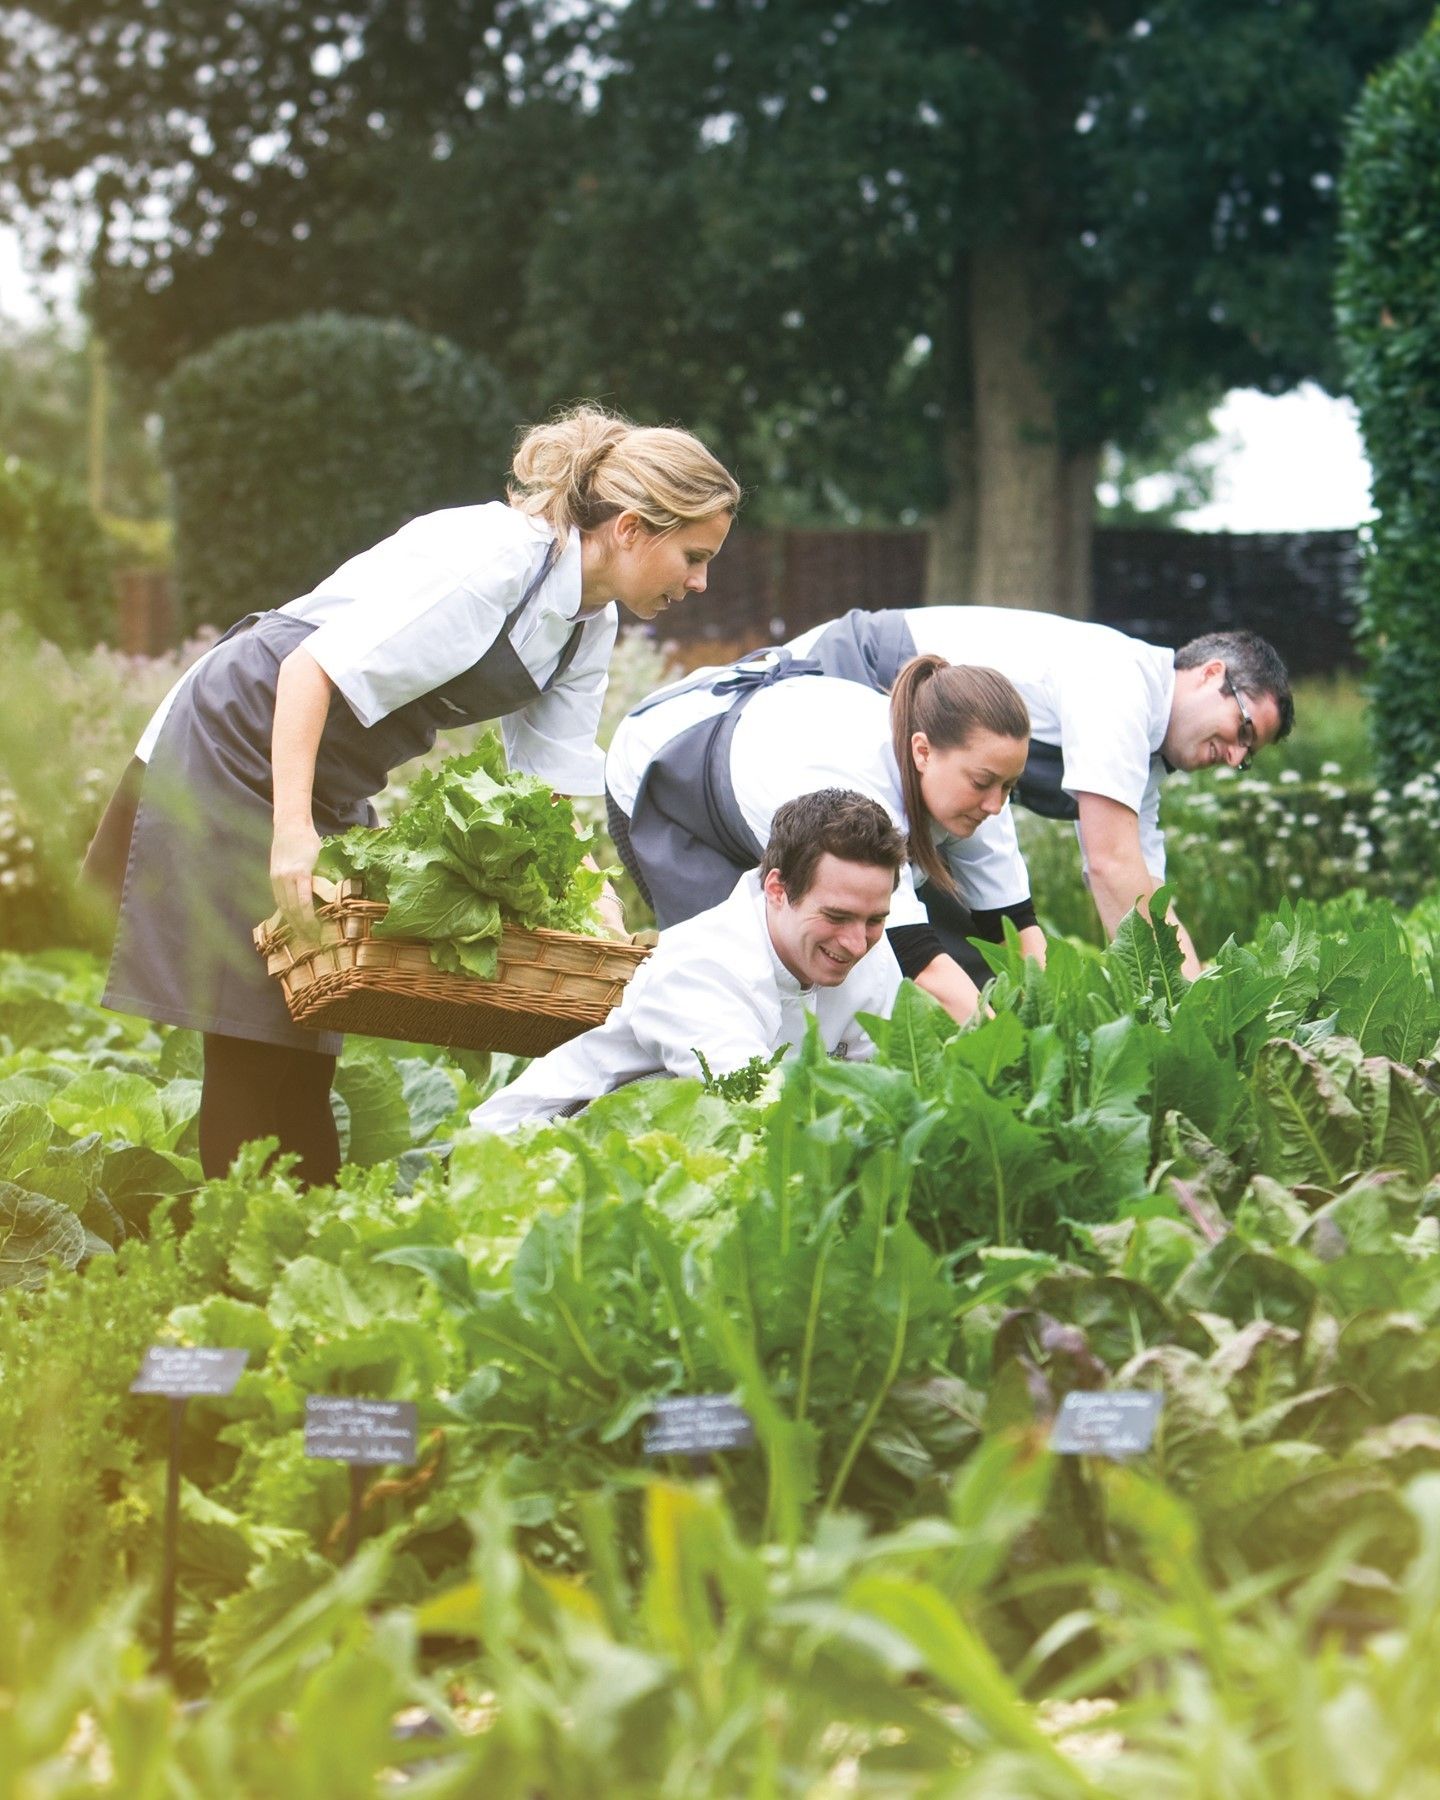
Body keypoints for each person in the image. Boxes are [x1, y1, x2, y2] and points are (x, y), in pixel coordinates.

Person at [95, 403, 740, 1186]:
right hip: (244, 736)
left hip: (329, 772)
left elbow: (550, 786)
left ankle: (298, 1243)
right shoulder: (495, 558)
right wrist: (293, 832)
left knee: (309, 1025)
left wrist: (594, 908)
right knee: (252, 1023)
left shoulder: (586, 625)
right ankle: (247, 1256)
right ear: (634, 527)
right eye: (695, 555)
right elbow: (313, 669)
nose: (701, 582)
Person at [743, 606, 1295, 977]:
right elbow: (1109, 865)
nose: (1237, 755)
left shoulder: (1147, 757)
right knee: (853, 914)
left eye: (1251, 753)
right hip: (859, 676)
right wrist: (1180, 1006)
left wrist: (1190, 995)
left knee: (950, 945)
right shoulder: (1123, 683)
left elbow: (1142, 889)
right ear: (1209, 673)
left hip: (920, 761)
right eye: (1243, 727)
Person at [605, 654, 1036, 1025]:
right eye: (984, 783)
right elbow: (917, 960)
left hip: (772, 753)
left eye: (1009, 786)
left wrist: (1049, 1017)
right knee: (730, 983)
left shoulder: (984, 775)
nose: (997, 804)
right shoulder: (858, 801)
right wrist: (1011, 1053)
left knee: (841, 973)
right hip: (671, 769)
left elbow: (1015, 929)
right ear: (922, 752)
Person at [470, 789, 908, 1133]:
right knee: (697, 1104)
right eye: (836, 917)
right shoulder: (701, 968)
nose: (855, 943)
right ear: (777, 888)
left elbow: (887, 1085)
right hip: (531, 1156)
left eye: (874, 920)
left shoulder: (871, 949)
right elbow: (760, 1108)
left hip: (663, 1158)